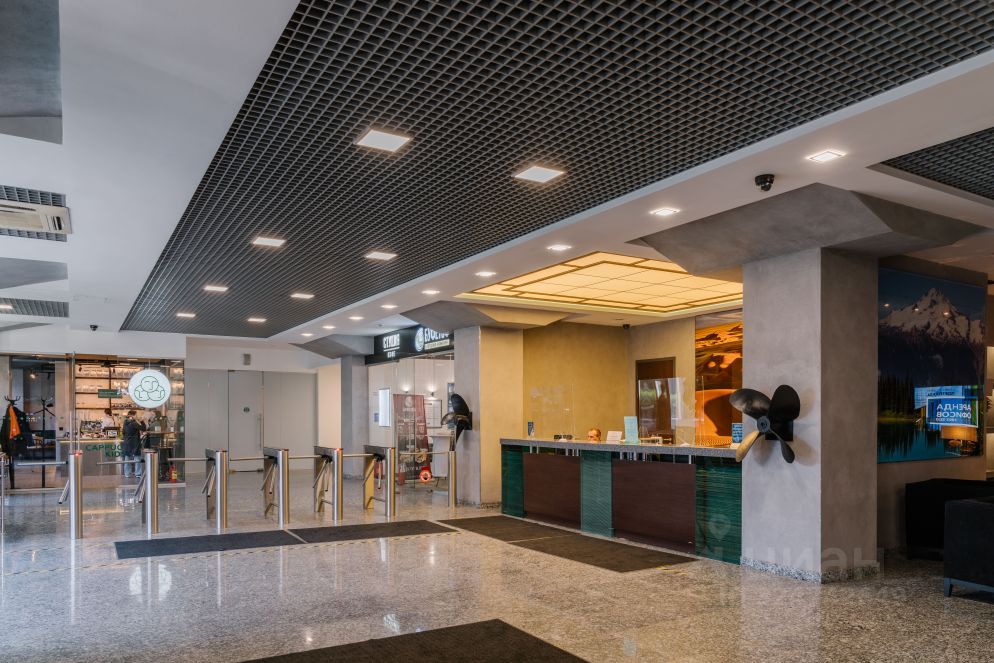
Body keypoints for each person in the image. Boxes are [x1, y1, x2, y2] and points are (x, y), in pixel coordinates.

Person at [122, 410, 146, 479]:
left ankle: (127, 473)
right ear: (133, 415)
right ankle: (138, 473)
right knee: (137, 458)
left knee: (127, 458)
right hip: (134, 443)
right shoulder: (133, 423)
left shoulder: (125, 422)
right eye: (136, 415)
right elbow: (143, 428)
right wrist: (141, 421)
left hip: (127, 443)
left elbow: (123, 432)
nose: (137, 416)